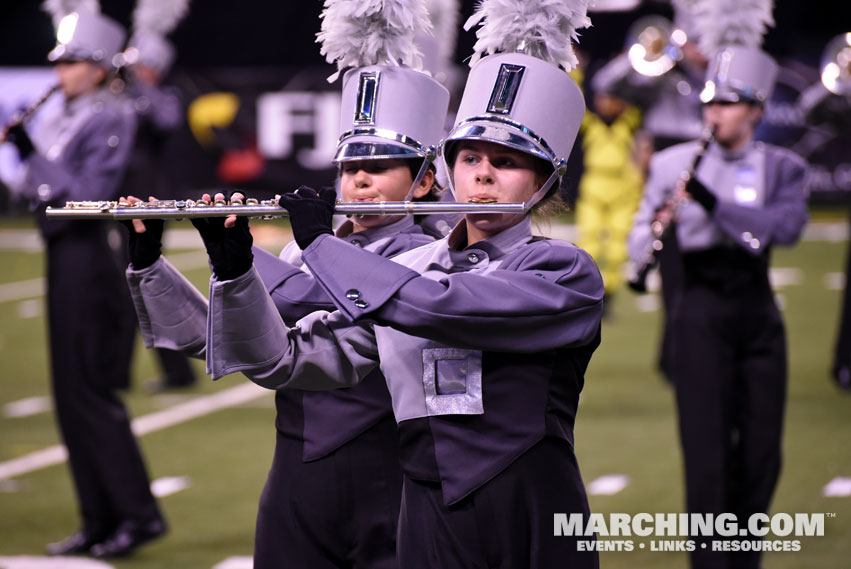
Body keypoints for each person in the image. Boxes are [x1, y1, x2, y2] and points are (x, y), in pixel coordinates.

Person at [202, 1, 603, 567]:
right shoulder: (409, 273)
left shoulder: (563, 270)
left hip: (530, 504)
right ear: (451, 168)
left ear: (545, 181)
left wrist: (322, 245)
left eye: (508, 161)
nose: (483, 174)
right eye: (470, 157)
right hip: (424, 509)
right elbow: (287, 363)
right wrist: (236, 265)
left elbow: (446, 308)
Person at [122, 2, 450, 567]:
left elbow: (296, 357)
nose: (360, 179)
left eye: (380, 165)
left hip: (390, 475)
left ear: (422, 181)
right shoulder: (304, 248)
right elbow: (221, 338)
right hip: (295, 476)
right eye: (350, 166)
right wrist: (153, 262)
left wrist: (252, 269)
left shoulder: (432, 259)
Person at [627, 25, 809, 569]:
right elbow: (641, 233)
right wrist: (653, 237)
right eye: (710, 101)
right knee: (705, 454)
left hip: (756, 314)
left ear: (755, 110)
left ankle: (744, 558)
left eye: (728, 104)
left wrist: (707, 200)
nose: (715, 113)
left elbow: (781, 228)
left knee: (760, 455)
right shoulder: (670, 164)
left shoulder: (783, 167)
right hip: (698, 314)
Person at [0, 5, 166, 558]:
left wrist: (30, 157)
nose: (61, 73)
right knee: (70, 399)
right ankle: (97, 517)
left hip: (89, 258)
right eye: (60, 62)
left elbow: (85, 194)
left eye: (71, 63)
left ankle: (138, 515)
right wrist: (33, 161)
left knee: (92, 395)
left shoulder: (109, 115)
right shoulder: (67, 114)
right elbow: (36, 192)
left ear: (97, 68)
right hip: (61, 255)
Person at [114, 0, 198, 391]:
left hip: (150, 203)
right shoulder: (121, 98)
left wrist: (139, 81)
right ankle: (124, 371)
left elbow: (163, 119)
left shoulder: (164, 96)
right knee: (130, 288)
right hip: (120, 202)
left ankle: (173, 371)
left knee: (143, 286)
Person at [575, 87, 645, 311]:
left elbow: (637, 103)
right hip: (594, 187)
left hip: (622, 189)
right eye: (603, 98)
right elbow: (577, 107)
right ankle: (586, 290)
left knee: (617, 247)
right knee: (589, 243)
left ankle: (610, 294)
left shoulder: (628, 124)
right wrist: (575, 75)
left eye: (611, 98)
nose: (606, 103)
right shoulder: (592, 125)